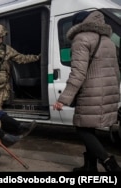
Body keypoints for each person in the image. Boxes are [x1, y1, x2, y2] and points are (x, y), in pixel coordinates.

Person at [53, 11, 121, 172]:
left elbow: (78, 73)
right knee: (89, 128)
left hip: (91, 92)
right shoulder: (108, 41)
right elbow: (116, 71)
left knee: (82, 128)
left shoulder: (81, 39)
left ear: (78, 24)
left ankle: (110, 165)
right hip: (108, 91)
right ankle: (90, 167)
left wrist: (63, 99)